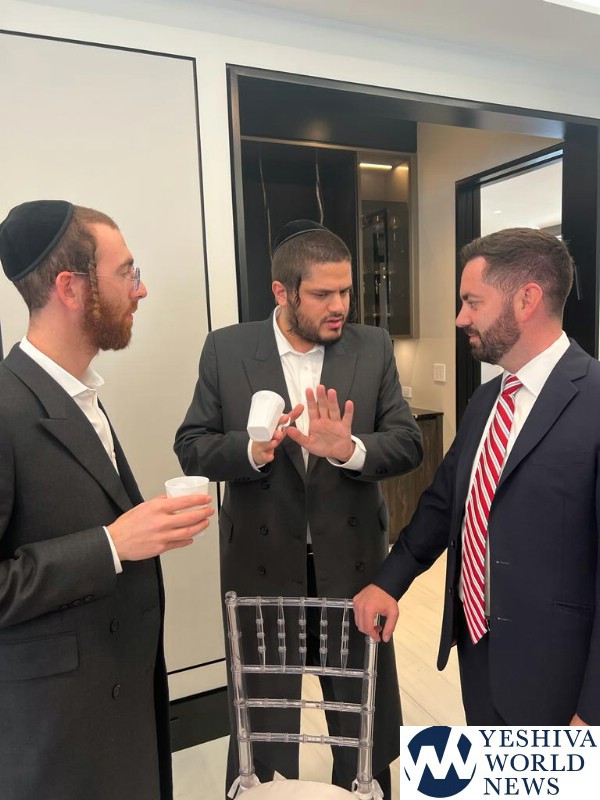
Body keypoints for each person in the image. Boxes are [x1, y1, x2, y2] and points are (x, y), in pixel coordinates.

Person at [174, 219, 422, 794]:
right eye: (323, 294)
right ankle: (261, 786)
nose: (340, 307)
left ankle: (366, 787)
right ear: (282, 292)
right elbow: (191, 445)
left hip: (353, 560)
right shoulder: (227, 348)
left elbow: (408, 443)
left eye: (346, 291)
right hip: (261, 557)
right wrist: (251, 451)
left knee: (361, 704)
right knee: (263, 705)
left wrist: (351, 449)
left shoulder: (373, 347)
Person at [0, 200, 214, 800]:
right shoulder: (6, 407)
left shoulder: (80, 395)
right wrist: (111, 545)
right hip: (58, 744)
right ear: (71, 288)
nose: (140, 290)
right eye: (127, 273)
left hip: (118, 712)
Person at [354, 226, 600, 726]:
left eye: (472, 301)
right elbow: (444, 503)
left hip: (561, 678)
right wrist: (388, 581)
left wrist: (593, 709)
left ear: (527, 299)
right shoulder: (486, 400)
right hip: (477, 652)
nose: (460, 317)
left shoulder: (595, 399)